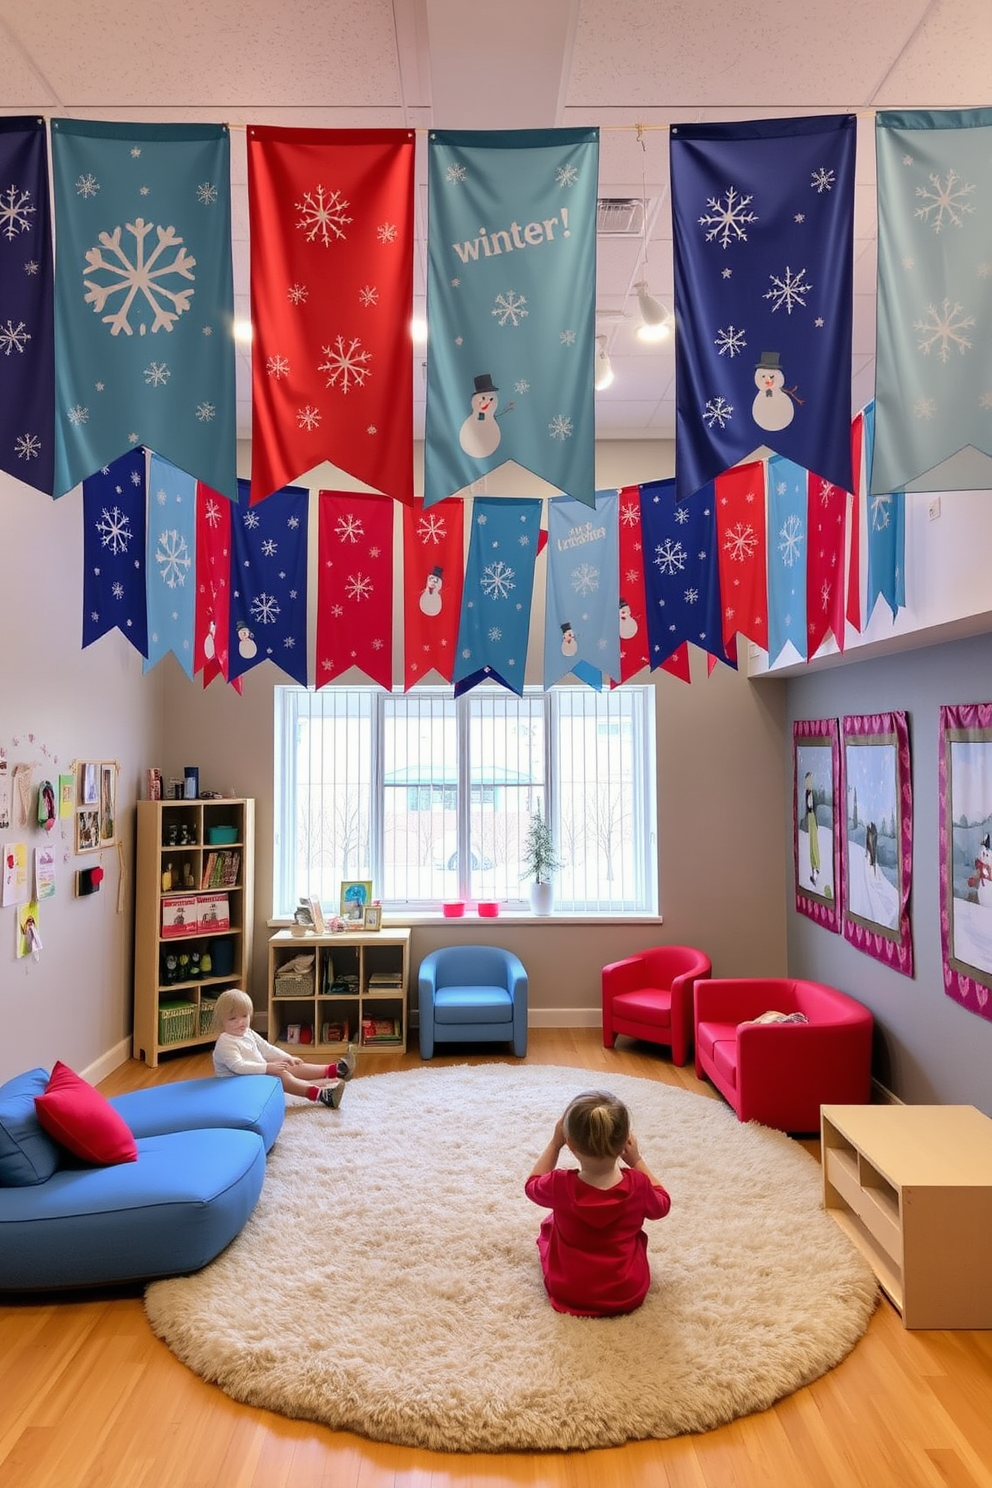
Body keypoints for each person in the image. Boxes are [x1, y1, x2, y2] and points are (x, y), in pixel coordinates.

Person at [525, 1089, 671, 1316]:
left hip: (569, 1290)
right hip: (626, 1293)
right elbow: (663, 1203)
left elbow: (532, 1184)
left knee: (549, 1226)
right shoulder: (639, 1186)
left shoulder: (558, 1184)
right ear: (626, 1141)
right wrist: (637, 1160)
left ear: (570, 1143)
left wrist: (554, 1144)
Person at [212, 988, 356, 1108]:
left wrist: (287, 1057)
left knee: (288, 1065)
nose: (241, 1022)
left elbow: (266, 1048)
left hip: (254, 1076)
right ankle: (322, 1095)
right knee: (281, 1074)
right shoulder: (226, 1042)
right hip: (237, 1087)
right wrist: (268, 1068)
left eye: (244, 1016)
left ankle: (337, 1070)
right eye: (233, 1019)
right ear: (221, 1022)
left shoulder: (247, 1032)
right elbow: (238, 1066)